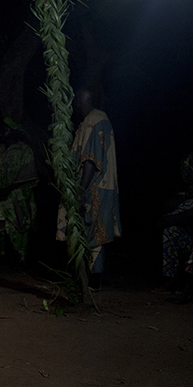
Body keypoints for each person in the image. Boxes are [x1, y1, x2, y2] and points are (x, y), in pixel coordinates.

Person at [56, 86, 121, 278]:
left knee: (90, 236)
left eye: (78, 99)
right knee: (92, 237)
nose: (75, 102)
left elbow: (91, 160)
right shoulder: (94, 120)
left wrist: (81, 190)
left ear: (83, 100)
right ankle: (89, 280)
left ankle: (91, 280)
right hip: (101, 187)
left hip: (93, 188)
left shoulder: (94, 120)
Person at [0, 118, 37, 264]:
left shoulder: (24, 150)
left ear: (14, 132)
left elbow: (28, 175)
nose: (3, 132)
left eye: (6, 129)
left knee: (18, 228)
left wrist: (9, 189)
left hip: (17, 197)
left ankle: (19, 260)